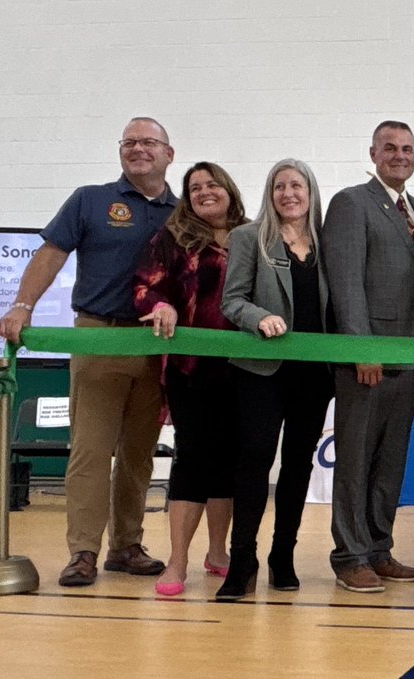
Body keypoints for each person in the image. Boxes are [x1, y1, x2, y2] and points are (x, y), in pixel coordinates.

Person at [0, 117, 175, 586]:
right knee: (91, 451)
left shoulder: (184, 211)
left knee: (138, 455)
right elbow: (51, 254)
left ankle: (126, 546)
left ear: (168, 154)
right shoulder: (90, 200)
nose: (138, 149)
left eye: (148, 142)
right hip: (98, 337)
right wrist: (22, 306)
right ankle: (83, 552)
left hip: (159, 346)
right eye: (129, 142)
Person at [322, 121, 414, 593]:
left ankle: (378, 549)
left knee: (390, 464)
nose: (399, 155)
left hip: (410, 359)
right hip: (366, 362)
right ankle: (349, 556)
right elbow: (346, 282)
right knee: (355, 462)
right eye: (389, 148)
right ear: (373, 153)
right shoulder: (351, 203)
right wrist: (362, 348)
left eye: (407, 148)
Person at [217, 158, 334, 600]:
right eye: (279, 186)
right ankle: (241, 560)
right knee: (255, 458)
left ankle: (282, 554)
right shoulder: (249, 237)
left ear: (311, 192)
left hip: (314, 374)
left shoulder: (326, 243)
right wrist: (259, 317)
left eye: (296, 185)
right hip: (261, 371)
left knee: (299, 463)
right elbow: (232, 300)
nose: (288, 193)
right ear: (270, 194)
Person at [133, 162, 247, 596]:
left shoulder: (253, 234)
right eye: (194, 187)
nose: (203, 192)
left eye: (211, 184)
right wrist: (161, 306)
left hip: (244, 370)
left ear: (229, 189)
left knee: (229, 461)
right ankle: (177, 561)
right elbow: (145, 286)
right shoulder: (172, 237)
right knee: (193, 459)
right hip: (190, 368)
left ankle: (218, 552)